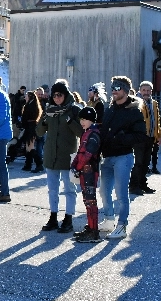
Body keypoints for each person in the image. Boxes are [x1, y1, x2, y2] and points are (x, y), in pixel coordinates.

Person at [98, 76, 148, 239]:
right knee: (104, 191)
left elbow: (141, 136)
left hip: (123, 157)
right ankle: (109, 220)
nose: (113, 90)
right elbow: (103, 131)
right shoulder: (109, 108)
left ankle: (122, 226)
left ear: (125, 91)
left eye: (117, 88)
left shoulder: (134, 111)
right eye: (112, 87)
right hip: (107, 157)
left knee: (121, 194)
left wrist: (121, 138)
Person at [36, 81, 83, 232]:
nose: (57, 98)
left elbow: (82, 133)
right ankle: (53, 217)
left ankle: (68, 218)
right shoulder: (49, 110)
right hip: (51, 156)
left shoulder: (74, 109)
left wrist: (70, 121)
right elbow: (39, 132)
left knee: (69, 190)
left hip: (68, 156)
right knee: (52, 190)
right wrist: (44, 122)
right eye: (54, 95)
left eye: (60, 95)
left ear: (66, 95)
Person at [71, 107, 103, 243]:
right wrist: (74, 165)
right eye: (81, 119)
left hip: (90, 172)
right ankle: (90, 227)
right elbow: (80, 152)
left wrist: (77, 167)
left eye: (84, 119)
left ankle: (94, 231)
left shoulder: (94, 135)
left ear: (91, 120)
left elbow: (87, 155)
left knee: (91, 201)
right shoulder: (86, 133)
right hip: (84, 172)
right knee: (87, 201)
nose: (82, 122)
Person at [130, 81, 161, 194]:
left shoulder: (154, 103)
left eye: (148, 90)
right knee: (138, 163)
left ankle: (143, 184)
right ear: (140, 90)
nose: (146, 92)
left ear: (151, 91)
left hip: (150, 137)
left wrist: (159, 135)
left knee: (146, 163)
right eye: (144, 90)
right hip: (139, 137)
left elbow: (156, 121)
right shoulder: (135, 102)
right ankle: (134, 186)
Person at [20, 91, 43, 172]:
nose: (25, 97)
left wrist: (22, 124)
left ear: (30, 97)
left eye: (26, 96)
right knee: (28, 147)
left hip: (30, 128)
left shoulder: (29, 106)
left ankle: (39, 164)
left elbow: (25, 117)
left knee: (30, 147)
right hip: (31, 127)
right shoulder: (33, 105)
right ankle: (28, 165)